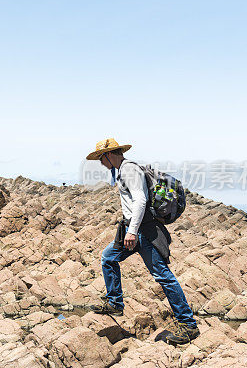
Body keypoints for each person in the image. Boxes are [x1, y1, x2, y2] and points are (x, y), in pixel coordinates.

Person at [85, 138, 199, 346]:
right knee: (108, 258)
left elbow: (140, 200)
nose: (101, 164)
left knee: (163, 276)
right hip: (134, 229)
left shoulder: (129, 170)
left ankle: (188, 324)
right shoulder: (122, 171)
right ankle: (115, 302)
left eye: (101, 159)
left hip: (143, 231)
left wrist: (132, 232)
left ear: (109, 155)